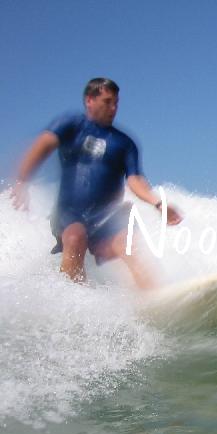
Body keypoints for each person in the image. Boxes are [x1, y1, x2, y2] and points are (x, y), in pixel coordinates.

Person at [9, 78, 182, 289]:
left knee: (129, 246)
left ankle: (155, 297)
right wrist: (22, 181)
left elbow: (135, 180)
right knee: (75, 237)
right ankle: (74, 298)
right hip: (70, 212)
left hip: (107, 215)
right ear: (89, 100)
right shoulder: (72, 125)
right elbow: (43, 145)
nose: (113, 108)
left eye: (116, 102)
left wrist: (158, 203)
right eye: (108, 102)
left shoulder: (124, 143)